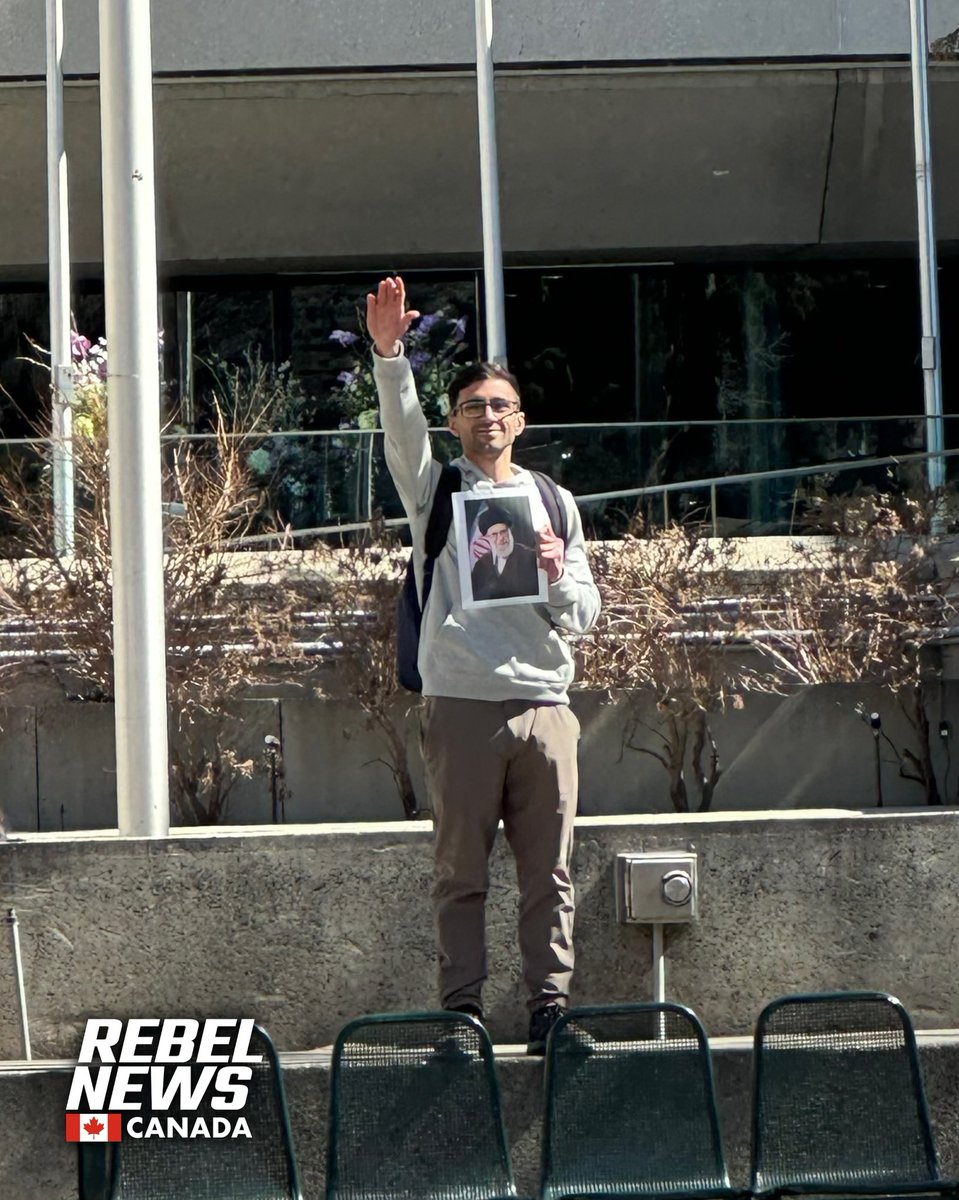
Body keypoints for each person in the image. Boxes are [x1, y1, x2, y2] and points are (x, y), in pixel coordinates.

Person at [368, 276, 601, 1054]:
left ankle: (549, 1012)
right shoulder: (437, 491)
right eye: (473, 406)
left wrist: (558, 568)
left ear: (521, 421)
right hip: (461, 705)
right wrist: (390, 356)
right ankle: (460, 1015)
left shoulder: (554, 501)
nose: (488, 416)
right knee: (458, 874)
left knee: (551, 877)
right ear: (456, 421)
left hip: (544, 706)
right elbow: (402, 436)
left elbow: (585, 615)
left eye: (500, 405)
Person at [470, 504, 541, 602]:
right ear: (487, 538)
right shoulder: (481, 565)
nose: (501, 538)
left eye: (503, 531)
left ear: (510, 531)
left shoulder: (531, 558)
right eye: (494, 534)